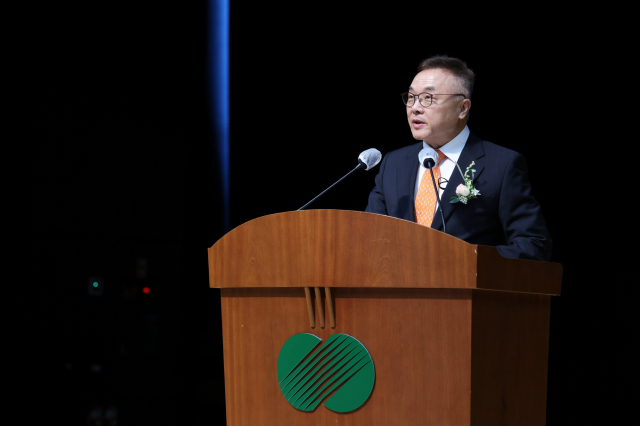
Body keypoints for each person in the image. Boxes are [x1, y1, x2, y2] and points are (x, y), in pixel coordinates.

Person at [365, 55, 551, 261]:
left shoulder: (502, 165)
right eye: (411, 97)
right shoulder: (393, 164)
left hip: (464, 290)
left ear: (463, 108)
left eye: (428, 98)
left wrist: (464, 261)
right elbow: (370, 239)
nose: (415, 107)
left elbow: (533, 244)